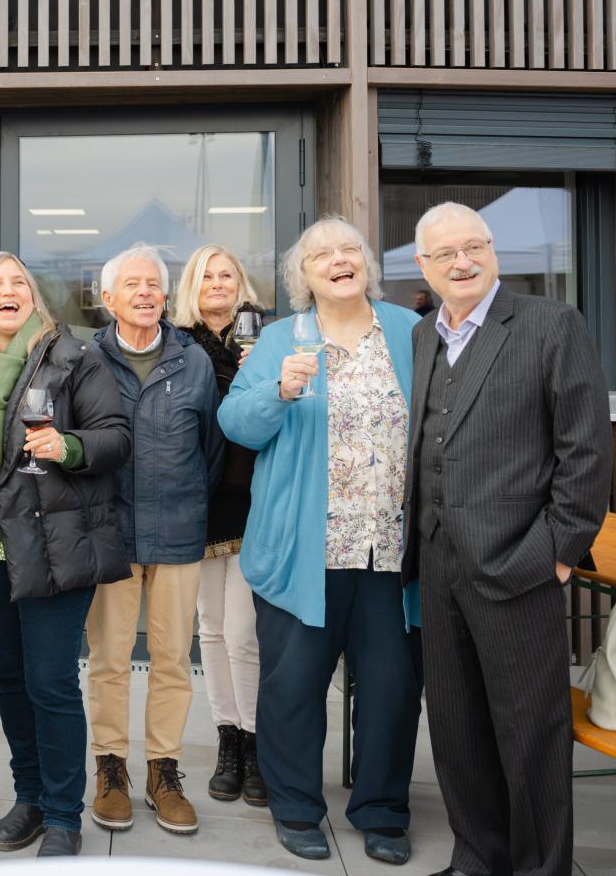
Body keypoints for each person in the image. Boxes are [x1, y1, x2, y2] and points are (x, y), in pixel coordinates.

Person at [405, 202, 610, 876]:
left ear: (492, 249)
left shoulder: (552, 324)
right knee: (456, 727)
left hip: (521, 563)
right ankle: (477, 858)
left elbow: (585, 453)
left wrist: (557, 555)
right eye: (446, 253)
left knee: (531, 736)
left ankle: (540, 869)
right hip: (439, 561)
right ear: (425, 266)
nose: (463, 262)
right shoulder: (424, 334)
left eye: (475, 246)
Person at [218, 216, 424, 866]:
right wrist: (278, 391)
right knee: (294, 686)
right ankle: (297, 806)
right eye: (321, 255)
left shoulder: (411, 332)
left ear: (367, 263)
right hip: (303, 550)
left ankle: (382, 809)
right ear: (303, 277)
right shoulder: (282, 338)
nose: (339, 260)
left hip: (391, 552)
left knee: (392, 691)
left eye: (349, 250)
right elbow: (236, 423)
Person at [0, 251, 131, 858]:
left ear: (33, 297)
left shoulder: (74, 356)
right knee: (9, 679)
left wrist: (70, 446)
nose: (8, 291)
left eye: (19, 282)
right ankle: (28, 797)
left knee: (50, 683)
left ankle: (62, 813)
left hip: (55, 545)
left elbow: (116, 437)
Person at [84, 244, 223, 835]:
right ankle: (110, 768)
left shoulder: (194, 362)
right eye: (132, 284)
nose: (145, 293)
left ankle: (163, 771)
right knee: (109, 660)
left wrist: (187, 502)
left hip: (178, 530)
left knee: (172, 660)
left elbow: (211, 450)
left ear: (166, 296)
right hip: (110, 534)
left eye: (154, 285)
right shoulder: (86, 360)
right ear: (108, 297)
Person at [175, 245, 268, 807]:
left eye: (226, 274)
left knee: (243, 632)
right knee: (210, 628)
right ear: (193, 285)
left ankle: (255, 743)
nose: (216, 283)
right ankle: (227, 740)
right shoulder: (178, 342)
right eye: (206, 275)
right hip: (200, 498)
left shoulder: (268, 336)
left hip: (256, 496)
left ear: (240, 282)